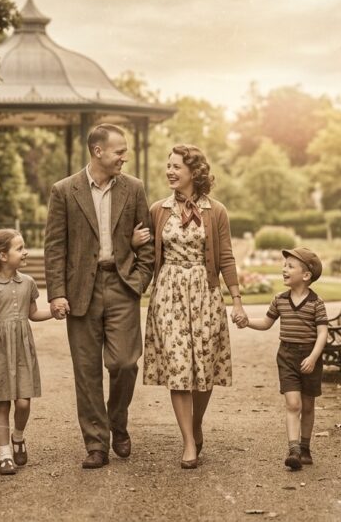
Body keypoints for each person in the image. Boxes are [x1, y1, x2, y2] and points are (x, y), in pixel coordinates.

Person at [43, 123, 155, 469]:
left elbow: (147, 241)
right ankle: (96, 444)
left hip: (122, 286)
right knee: (86, 370)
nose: (125, 156)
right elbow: (55, 246)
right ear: (98, 151)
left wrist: (138, 281)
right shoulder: (64, 190)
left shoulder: (134, 188)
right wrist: (57, 293)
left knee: (124, 363)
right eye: (119, 150)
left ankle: (117, 421)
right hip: (81, 292)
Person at [141, 144, 245, 469]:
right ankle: (188, 440)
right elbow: (145, 254)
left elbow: (225, 256)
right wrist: (134, 244)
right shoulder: (158, 209)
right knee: (178, 368)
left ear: (193, 172)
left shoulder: (216, 211)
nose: (170, 171)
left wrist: (237, 301)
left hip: (205, 295)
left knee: (204, 369)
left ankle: (196, 422)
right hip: (168, 294)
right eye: (168, 165)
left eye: (176, 167)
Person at [237, 247, 329, 471]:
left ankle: (305, 447)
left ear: (306, 275)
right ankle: (294, 449)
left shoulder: (316, 303)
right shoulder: (279, 300)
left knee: (307, 405)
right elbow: (267, 323)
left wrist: (314, 357)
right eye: (284, 265)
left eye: (290, 266)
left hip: (309, 356)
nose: (284, 269)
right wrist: (247, 322)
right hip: (286, 356)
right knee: (293, 404)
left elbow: (323, 333)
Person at [0, 229, 54, 476]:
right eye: (20, 248)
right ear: (3, 256)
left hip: (21, 350)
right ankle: (5, 454)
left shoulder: (28, 282)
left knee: (23, 402)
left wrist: (55, 312)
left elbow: (33, 314)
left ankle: (18, 436)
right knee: (2, 404)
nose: (25, 251)